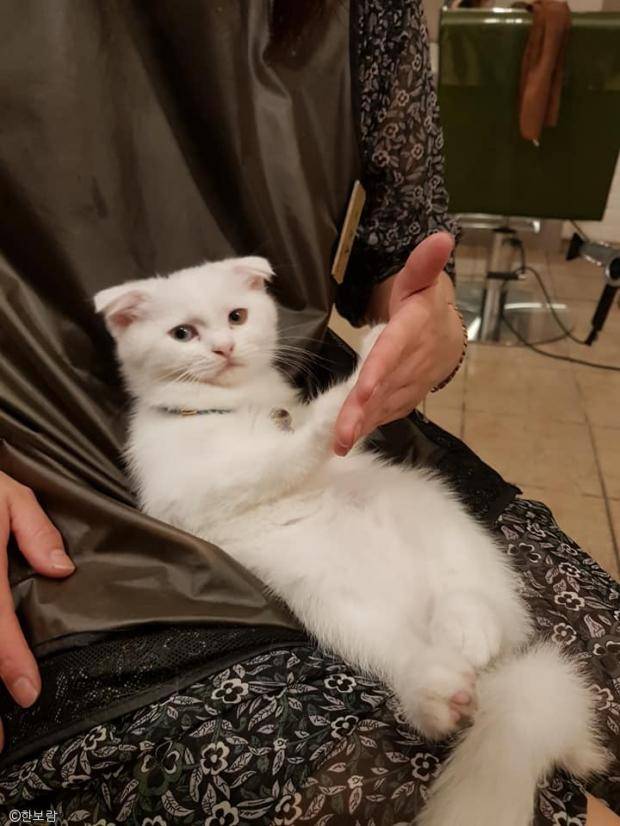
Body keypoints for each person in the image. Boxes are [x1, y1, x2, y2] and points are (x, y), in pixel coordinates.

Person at [0, 1, 617, 824]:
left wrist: (426, 322)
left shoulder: (365, 13)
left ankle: (476, 643)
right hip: (63, 493)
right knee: (408, 784)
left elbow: (399, 259)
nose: (219, 342)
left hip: (321, 436)